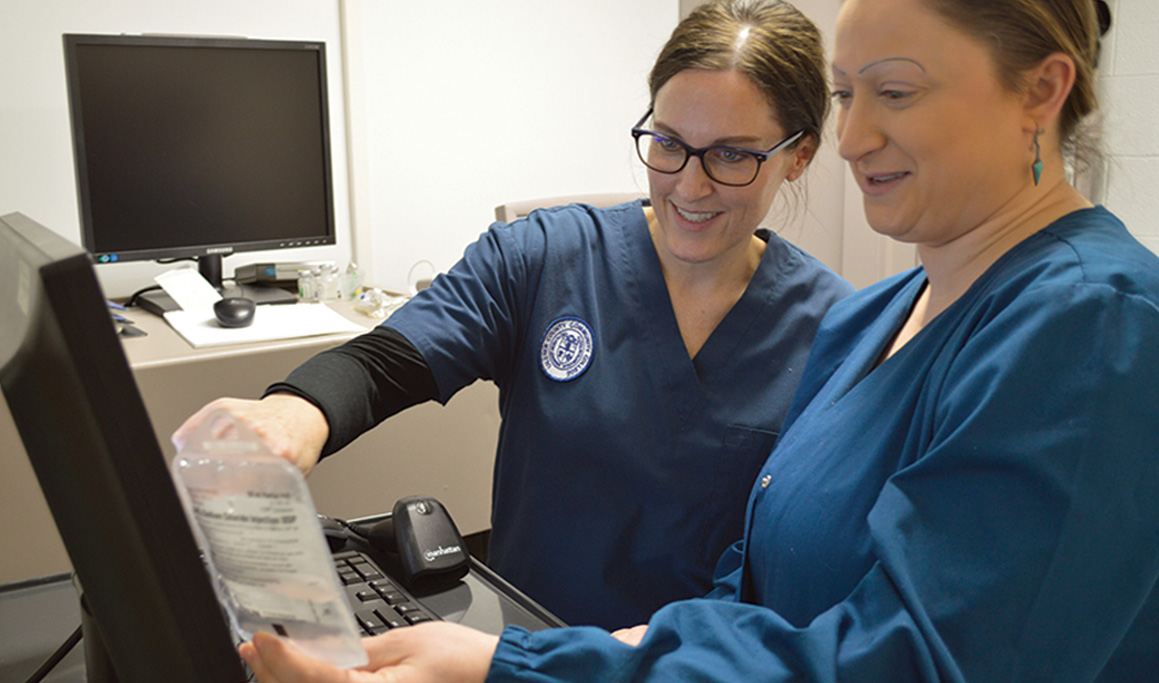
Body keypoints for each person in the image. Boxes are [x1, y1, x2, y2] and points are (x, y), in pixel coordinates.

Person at [235, 0, 1159, 680]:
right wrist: (290, 412)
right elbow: (745, 593)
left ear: (1041, 90)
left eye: (897, 90)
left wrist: (513, 672)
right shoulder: (872, 323)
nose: (854, 137)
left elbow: (918, 653)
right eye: (847, 93)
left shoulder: (1091, 325)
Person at [174, 0, 852, 630]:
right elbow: (389, 362)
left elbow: (803, 570)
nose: (688, 183)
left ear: (797, 155)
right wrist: (296, 409)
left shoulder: (838, 331)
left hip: (685, 664)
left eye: (731, 155)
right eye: (668, 142)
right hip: (522, 647)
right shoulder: (543, 257)